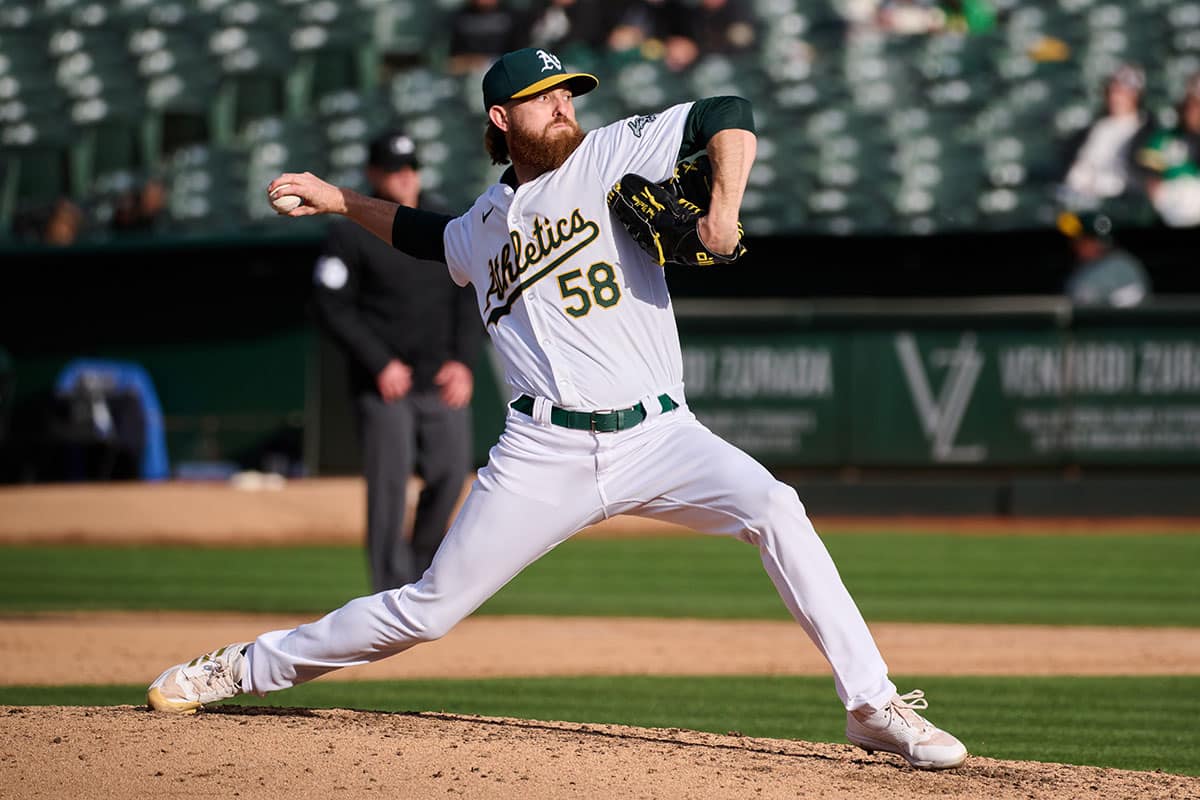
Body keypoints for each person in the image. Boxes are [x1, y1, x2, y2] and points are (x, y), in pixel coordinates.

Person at [146, 46, 969, 772]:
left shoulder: (610, 152)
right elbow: (426, 236)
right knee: (429, 610)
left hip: (661, 434)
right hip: (544, 452)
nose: (564, 104)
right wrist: (340, 202)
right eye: (547, 97)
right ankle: (240, 668)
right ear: (502, 119)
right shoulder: (482, 224)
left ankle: (872, 706)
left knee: (776, 507)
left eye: (569, 92)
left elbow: (726, 113)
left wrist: (724, 210)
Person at [313, 130, 483, 592]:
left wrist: (464, 362)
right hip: (384, 383)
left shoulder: (444, 221)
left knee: (450, 475)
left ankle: (422, 576)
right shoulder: (351, 229)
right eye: (394, 170)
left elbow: (471, 295)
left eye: (410, 168)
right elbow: (332, 304)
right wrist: (378, 362)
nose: (405, 178)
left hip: (439, 376)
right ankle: (388, 589)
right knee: (389, 486)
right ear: (373, 175)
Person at [1061, 64, 1152, 207]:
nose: (1115, 97)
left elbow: (1140, 175)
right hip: (1087, 196)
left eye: (1122, 92)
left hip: (1124, 200)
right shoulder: (1099, 127)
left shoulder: (1146, 128)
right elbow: (1084, 164)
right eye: (1112, 91)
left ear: (1136, 95)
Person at [1132, 72, 1200, 228]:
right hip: (1169, 204)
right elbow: (1148, 171)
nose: (1193, 111)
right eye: (1190, 105)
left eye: (1197, 105)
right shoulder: (1165, 137)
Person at [1056, 209, 1151, 308]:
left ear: (1098, 242)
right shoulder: (1085, 267)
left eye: (1080, 240)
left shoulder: (1122, 270)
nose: (1074, 245)